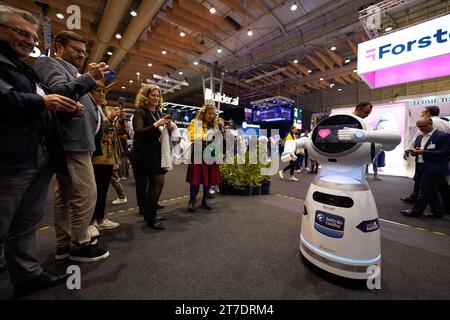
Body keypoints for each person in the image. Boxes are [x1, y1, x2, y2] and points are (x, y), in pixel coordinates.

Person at [0, 5, 80, 296]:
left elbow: (39, 105)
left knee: (27, 220)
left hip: (35, 153)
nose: (31, 42)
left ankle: (26, 274)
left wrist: (65, 109)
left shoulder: (24, 67)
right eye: (22, 33)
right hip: (9, 155)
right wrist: (43, 103)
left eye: (34, 37)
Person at [34, 30, 109, 262]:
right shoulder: (47, 62)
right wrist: (89, 76)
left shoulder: (72, 71)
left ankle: (65, 244)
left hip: (78, 142)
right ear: (59, 46)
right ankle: (80, 244)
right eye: (77, 50)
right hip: (71, 142)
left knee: (66, 195)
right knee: (86, 193)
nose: (81, 55)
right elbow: (59, 92)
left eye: (84, 52)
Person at [133, 84, 173, 229]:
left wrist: (168, 126)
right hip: (145, 153)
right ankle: (150, 215)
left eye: (158, 95)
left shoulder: (158, 113)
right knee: (158, 182)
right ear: (146, 96)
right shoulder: (140, 112)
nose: (156, 98)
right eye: (153, 95)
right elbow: (139, 132)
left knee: (155, 183)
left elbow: (160, 132)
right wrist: (157, 124)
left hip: (157, 152)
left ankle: (150, 212)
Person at [401, 118, 450, 218]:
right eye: (418, 127)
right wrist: (413, 152)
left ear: (430, 124)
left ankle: (416, 211)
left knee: (424, 191)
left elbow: (445, 153)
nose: (420, 129)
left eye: (422, 126)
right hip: (420, 167)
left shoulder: (442, 136)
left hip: (434, 168)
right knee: (431, 191)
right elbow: (418, 152)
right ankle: (437, 212)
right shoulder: (419, 137)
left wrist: (424, 152)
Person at [90, 82, 120, 230]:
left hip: (107, 156)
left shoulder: (103, 108)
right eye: (98, 91)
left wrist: (114, 119)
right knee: (94, 191)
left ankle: (100, 219)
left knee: (103, 189)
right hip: (95, 155)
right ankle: (91, 221)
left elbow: (113, 131)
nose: (101, 94)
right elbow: (99, 128)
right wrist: (110, 119)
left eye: (103, 91)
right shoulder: (91, 108)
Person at [186, 102, 221, 212]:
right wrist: (204, 136)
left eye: (213, 114)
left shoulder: (215, 125)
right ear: (204, 112)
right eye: (209, 113)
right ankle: (192, 201)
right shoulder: (195, 122)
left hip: (210, 155)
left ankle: (205, 200)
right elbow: (191, 135)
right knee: (195, 180)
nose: (211, 116)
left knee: (209, 179)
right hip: (198, 154)